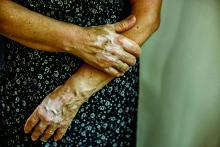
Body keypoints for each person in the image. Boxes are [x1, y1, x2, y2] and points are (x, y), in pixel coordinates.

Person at [0, 0, 161, 146]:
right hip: (27, 83)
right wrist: (79, 39)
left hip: (104, 86)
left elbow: (147, 16)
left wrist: (74, 91)